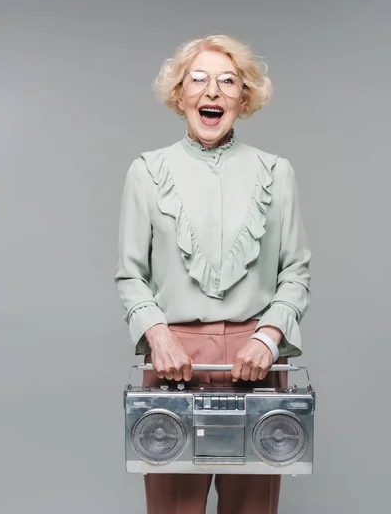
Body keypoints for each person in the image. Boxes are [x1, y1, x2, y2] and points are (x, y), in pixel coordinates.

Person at [114, 34, 311, 514]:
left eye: (228, 81)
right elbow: (130, 275)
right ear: (179, 94)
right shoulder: (146, 171)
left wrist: (267, 339)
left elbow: (297, 271)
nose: (212, 92)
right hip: (173, 360)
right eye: (198, 80)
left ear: (244, 99)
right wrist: (157, 335)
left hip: (258, 361)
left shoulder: (275, 171)